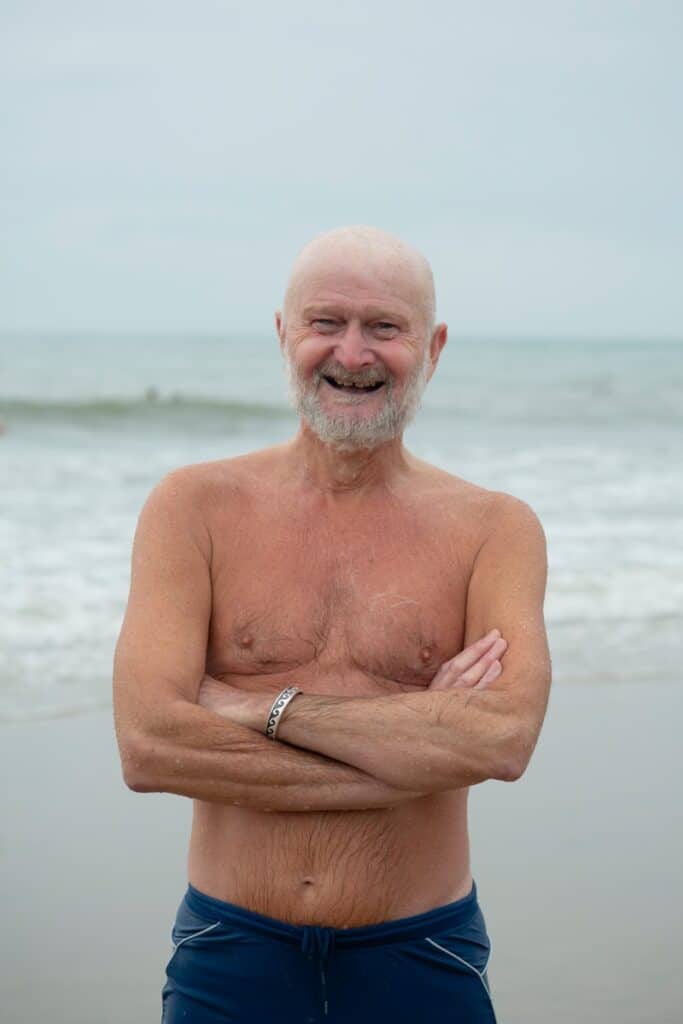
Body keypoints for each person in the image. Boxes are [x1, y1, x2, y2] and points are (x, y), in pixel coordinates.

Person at [113, 225, 551, 1023]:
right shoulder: (194, 508)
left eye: (384, 327)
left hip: (422, 950)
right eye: (326, 323)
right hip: (229, 948)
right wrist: (417, 749)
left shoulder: (493, 528)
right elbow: (149, 745)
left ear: (433, 345)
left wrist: (257, 708)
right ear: (284, 333)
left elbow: (502, 741)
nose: (352, 354)